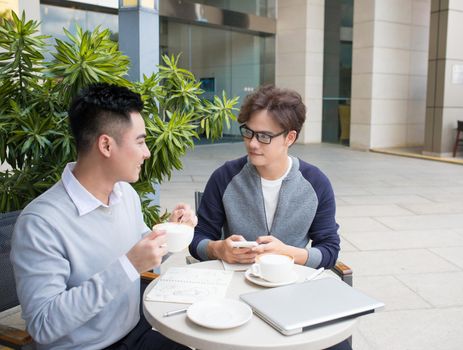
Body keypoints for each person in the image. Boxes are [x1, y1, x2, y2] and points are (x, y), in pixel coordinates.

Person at [10, 83, 196, 350]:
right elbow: (43, 325)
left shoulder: (125, 194)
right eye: (141, 141)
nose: (147, 153)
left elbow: (144, 253)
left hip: (136, 332)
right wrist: (128, 265)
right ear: (106, 145)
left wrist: (174, 232)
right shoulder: (40, 224)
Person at [189, 85, 340, 269]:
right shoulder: (225, 177)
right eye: (248, 132)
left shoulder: (316, 183)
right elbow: (197, 239)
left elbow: (329, 251)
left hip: (291, 283)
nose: (252, 143)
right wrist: (218, 248)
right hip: (233, 283)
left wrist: (287, 253)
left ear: (290, 138)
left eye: (264, 136)